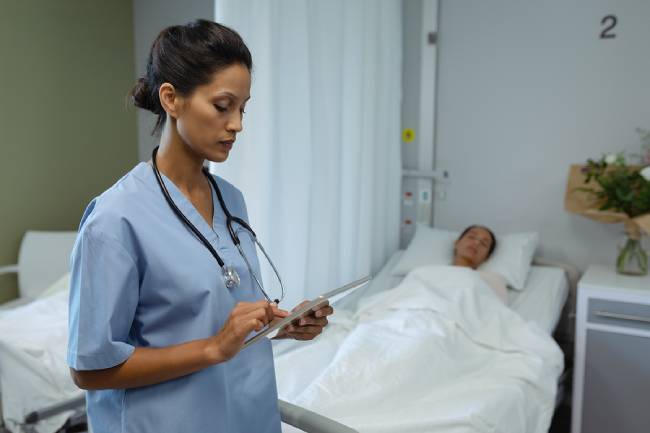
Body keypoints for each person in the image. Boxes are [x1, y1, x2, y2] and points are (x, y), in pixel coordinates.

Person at [66, 20, 332, 433]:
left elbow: (218, 319)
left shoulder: (231, 200)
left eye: (243, 108)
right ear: (171, 99)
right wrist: (212, 348)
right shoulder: (115, 219)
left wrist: (279, 326)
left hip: (246, 416)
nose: (237, 124)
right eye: (223, 106)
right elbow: (90, 370)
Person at [452, 225, 508, 303]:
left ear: (487, 257)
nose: (476, 243)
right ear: (456, 243)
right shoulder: (434, 272)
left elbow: (496, 310)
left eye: (483, 243)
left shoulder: (492, 282)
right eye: (471, 237)